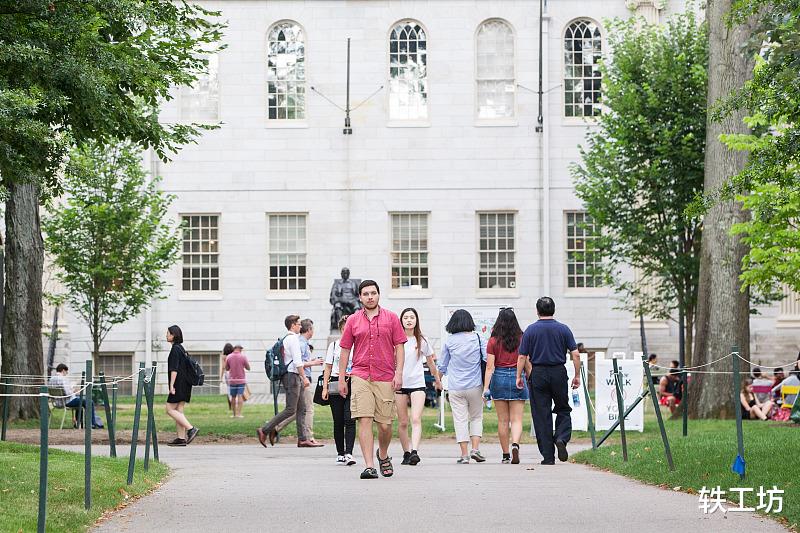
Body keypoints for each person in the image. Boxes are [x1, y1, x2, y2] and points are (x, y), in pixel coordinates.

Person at [338, 280, 406, 480]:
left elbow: (400, 346)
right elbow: (344, 350)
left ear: (378, 295)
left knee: (385, 425)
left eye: (373, 293)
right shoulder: (352, 320)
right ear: (360, 297)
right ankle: (369, 466)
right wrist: (342, 378)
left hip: (385, 375)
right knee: (364, 419)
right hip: (360, 375)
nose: (370, 296)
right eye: (366, 293)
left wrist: (399, 372)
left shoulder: (392, 318)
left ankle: (383, 455)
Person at [516, 297, 580, 465]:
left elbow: (522, 356)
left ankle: (548, 456)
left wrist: (518, 377)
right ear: (554, 310)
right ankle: (561, 437)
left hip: (538, 373)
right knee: (563, 408)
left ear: (537, 311)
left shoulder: (530, 330)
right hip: (558, 371)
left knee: (541, 414)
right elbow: (576, 354)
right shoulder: (563, 329)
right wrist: (577, 375)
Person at [438, 309, 487, 464]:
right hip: (475, 385)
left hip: (455, 387)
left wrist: (437, 381)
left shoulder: (449, 341)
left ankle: (464, 455)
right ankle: (475, 449)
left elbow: (442, 365)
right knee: (476, 417)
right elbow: (487, 359)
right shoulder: (479, 338)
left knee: (460, 420)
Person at [257, 315, 312, 447]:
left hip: (291, 376)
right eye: (298, 324)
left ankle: (303, 439)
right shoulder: (293, 339)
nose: (300, 326)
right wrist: (304, 377)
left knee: (302, 408)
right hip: (292, 376)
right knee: (290, 409)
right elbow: (298, 361)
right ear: (292, 325)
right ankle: (264, 430)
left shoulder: (286, 338)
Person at [483, 308, 529, 464]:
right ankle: (515, 444)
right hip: (518, 377)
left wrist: (485, 388)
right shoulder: (522, 338)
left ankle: (505, 455)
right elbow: (526, 360)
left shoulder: (493, 341)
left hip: (499, 378)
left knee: (503, 420)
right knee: (516, 419)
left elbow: (490, 367)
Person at [397, 308, 441, 466]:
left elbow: (430, 362)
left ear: (416, 320)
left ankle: (414, 451)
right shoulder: (396, 339)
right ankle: (406, 452)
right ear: (401, 320)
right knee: (402, 422)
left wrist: (437, 380)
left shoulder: (422, 340)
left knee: (415, 418)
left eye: (412, 317)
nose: (409, 320)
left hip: (417, 383)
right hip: (399, 385)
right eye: (406, 317)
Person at [322, 315, 356, 466]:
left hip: (353, 381)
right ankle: (340, 453)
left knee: (350, 419)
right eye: (344, 329)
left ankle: (349, 452)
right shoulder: (334, 346)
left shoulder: (358, 345)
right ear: (342, 330)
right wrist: (325, 388)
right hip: (336, 382)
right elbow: (328, 367)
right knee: (338, 420)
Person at [166, 325, 199, 446]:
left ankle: (191, 429)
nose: (166, 335)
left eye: (168, 333)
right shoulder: (181, 348)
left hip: (178, 384)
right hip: (186, 384)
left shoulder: (175, 349)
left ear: (173, 335)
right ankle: (181, 438)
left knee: (169, 409)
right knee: (179, 410)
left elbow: (174, 369)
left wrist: (171, 385)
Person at [49, 364, 104, 428]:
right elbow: (67, 393)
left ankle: (79, 423)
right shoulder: (62, 379)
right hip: (66, 401)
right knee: (89, 401)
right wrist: (73, 389)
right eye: (66, 372)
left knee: (80, 401)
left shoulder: (51, 379)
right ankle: (92, 424)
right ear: (63, 370)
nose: (66, 374)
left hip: (57, 402)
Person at [296, 319, 324, 446]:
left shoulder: (303, 343)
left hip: (303, 378)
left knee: (300, 409)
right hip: (304, 378)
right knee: (309, 409)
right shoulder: (302, 344)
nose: (313, 331)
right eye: (312, 329)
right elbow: (299, 363)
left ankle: (275, 428)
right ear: (308, 330)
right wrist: (314, 363)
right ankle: (309, 437)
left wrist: (312, 360)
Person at [225, 344, 250, 418]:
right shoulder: (243, 357)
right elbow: (248, 368)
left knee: (233, 397)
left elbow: (226, 368)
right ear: (239, 349)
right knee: (240, 396)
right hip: (241, 380)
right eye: (241, 349)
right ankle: (239, 414)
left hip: (232, 380)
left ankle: (234, 414)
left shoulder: (229, 357)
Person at [220, 343, 234, 410]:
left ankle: (230, 407)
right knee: (234, 389)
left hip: (227, 374)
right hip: (234, 373)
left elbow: (223, 367)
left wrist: (221, 377)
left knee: (229, 390)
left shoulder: (224, 356)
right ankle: (235, 405)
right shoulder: (233, 356)